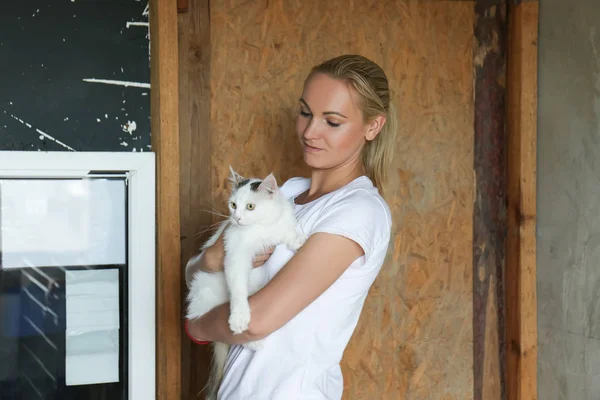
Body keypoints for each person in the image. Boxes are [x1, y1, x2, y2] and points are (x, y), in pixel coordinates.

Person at [185, 54, 397, 399]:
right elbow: (203, 273)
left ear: (372, 127)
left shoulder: (359, 211)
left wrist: (197, 326)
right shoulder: (287, 192)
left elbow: (256, 321)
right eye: (305, 113)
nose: (310, 132)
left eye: (332, 121)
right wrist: (209, 260)